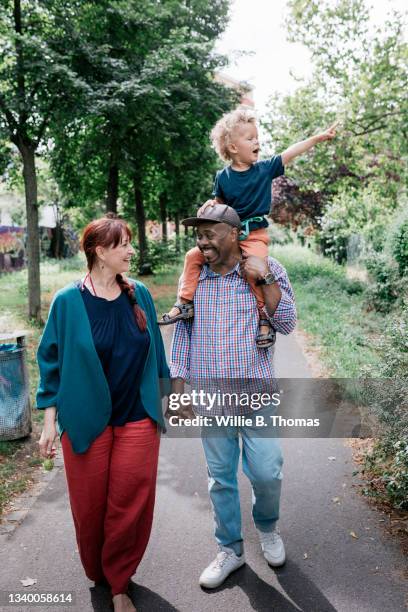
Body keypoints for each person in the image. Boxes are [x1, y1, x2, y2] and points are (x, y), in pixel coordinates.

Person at [36, 214, 169, 612]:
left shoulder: (139, 293)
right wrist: (48, 422)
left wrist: (170, 404)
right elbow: (51, 363)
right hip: (85, 422)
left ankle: (118, 583)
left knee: (129, 504)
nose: (132, 250)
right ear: (98, 251)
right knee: (89, 506)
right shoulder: (67, 302)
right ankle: (98, 570)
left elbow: (157, 355)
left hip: (136, 418)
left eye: (130, 243)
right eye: (122, 244)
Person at [169, 204, 297, 589]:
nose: (201, 241)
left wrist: (267, 278)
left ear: (232, 233)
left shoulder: (262, 269)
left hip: (257, 395)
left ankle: (268, 529)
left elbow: (287, 323)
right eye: (198, 234)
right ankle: (230, 549)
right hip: (211, 397)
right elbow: (183, 331)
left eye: (208, 233)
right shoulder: (196, 277)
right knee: (220, 478)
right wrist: (177, 388)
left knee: (266, 471)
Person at [160, 107, 335, 348]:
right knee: (192, 256)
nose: (257, 141)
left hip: (254, 235)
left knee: (255, 270)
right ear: (233, 147)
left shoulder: (264, 169)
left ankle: (264, 319)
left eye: (257, 137)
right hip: (228, 236)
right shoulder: (222, 177)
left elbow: (289, 152)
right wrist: (211, 203)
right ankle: (185, 302)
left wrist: (316, 138)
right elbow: (219, 204)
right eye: (250, 138)